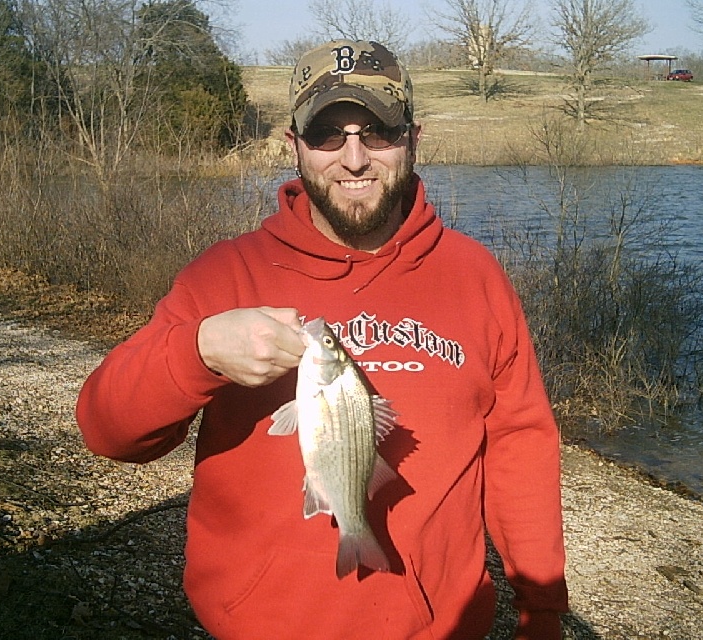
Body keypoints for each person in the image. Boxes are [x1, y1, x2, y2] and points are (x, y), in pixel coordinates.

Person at [76, 40, 569, 639]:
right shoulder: (228, 274)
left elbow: (522, 447)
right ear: (294, 146)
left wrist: (541, 609)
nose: (354, 159)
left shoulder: (476, 277)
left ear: (413, 138)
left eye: (378, 132)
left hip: (437, 627)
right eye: (327, 135)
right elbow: (106, 430)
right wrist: (198, 351)